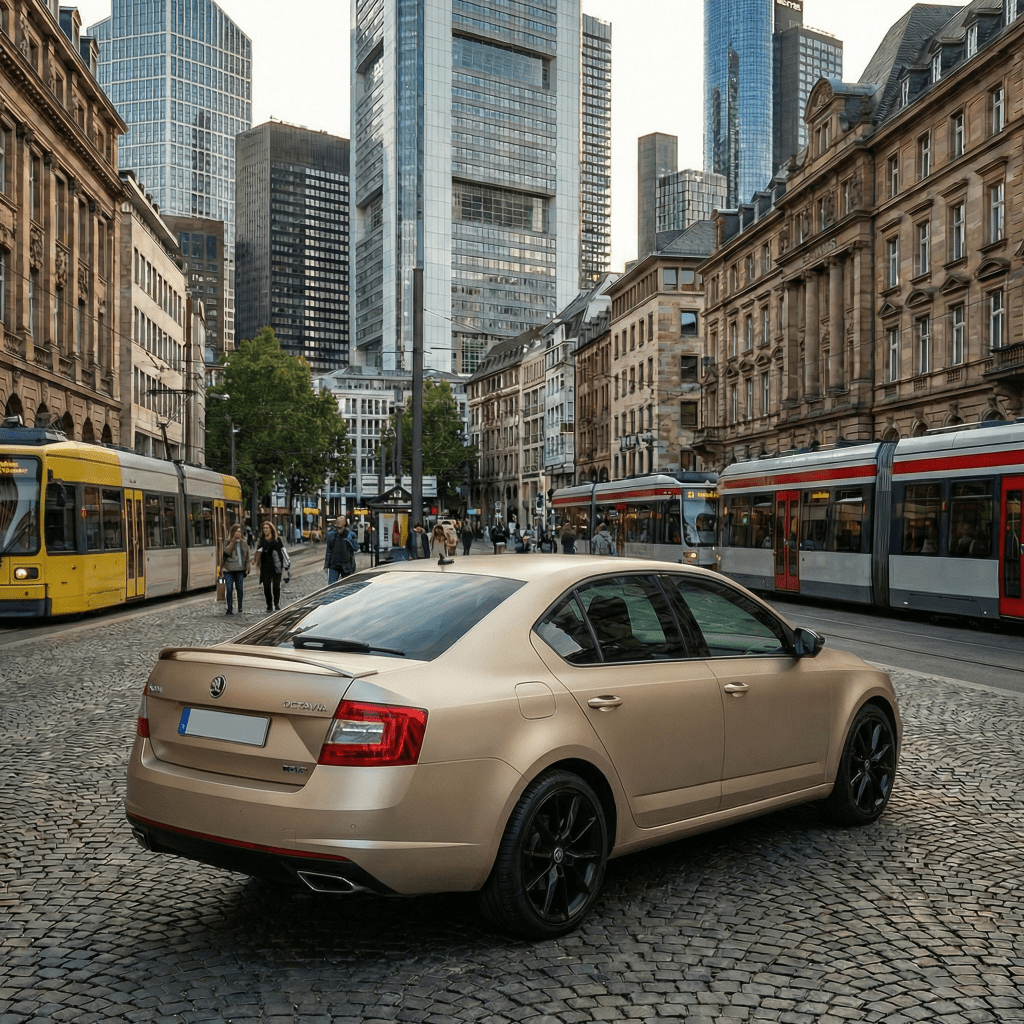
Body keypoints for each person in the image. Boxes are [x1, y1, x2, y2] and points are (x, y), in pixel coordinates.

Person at [253, 520, 287, 612]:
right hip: (265, 566)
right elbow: (258, 552)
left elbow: (283, 551)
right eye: (264, 528)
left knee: (276, 586)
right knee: (266, 587)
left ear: (271, 529)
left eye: (267, 528)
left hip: (276, 566)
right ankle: (269, 605)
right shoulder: (261, 540)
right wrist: (255, 558)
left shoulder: (277, 539)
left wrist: (284, 563)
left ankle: (276, 603)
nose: (265, 530)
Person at [221, 523, 250, 615]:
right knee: (229, 589)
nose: (238, 533)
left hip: (240, 569)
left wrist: (247, 567)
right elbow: (227, 551)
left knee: (239, 588)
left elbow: (247, 556)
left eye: (240, 531)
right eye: (237, 531)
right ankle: (229, 608)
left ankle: (240, 607)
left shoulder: (243, 542)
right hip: (228, 569)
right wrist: (233, 541)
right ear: (233, 532)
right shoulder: (227, 541)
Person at [324, 515, 357, 584]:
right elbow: (328, 551)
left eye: (341, 520)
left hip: (346, 565)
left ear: (345, 522)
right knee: (332, 586)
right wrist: (326, 565)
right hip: (334, 565)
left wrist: (350, 541)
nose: (339, 522)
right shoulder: (332, 535)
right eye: (338, 520)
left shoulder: (350, 534)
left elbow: (356, 548)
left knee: (347, 585)